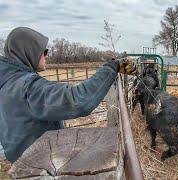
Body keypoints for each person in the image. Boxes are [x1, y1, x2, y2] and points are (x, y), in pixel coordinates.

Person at [0, 27, 137, 163]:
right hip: (40, 165)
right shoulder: (27, 87)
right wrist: (112, 68)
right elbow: (77, 100)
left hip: (23, 161)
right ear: (29, 52)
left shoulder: (7, 82)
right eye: (44, 51)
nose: (47, 55)